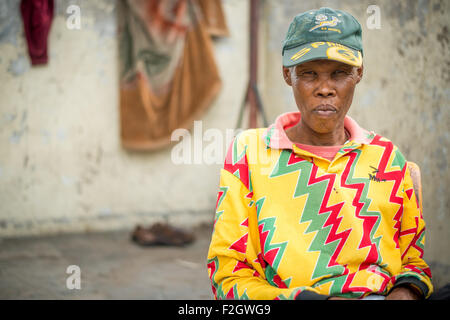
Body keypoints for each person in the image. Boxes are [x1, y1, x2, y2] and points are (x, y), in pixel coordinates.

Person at [206, 7, 433, 300]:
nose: (325, 89)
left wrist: (406, 292)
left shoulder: (388, 158)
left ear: (359, 73)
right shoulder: (250, 154)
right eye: (309, 74)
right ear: (288, 75)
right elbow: (229, 275)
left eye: (339, 73)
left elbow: (414, 262)